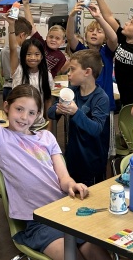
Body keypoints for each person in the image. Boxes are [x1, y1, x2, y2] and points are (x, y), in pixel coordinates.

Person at [0, 70, 109, 260]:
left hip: (64, 211)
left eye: (31, 113)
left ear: (38, 115)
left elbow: (63, 177)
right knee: (72, 256)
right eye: (18, 109)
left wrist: (72, 185)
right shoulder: (2, 139)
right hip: (38, 221)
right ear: (6, 107)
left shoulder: (47, 137)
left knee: (98, 253)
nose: (23, 117)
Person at [47, 49, 110, 185]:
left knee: (90, 197)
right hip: (73, 156)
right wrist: (59, 110)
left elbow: (96, 129)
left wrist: (76, 113)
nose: (68, 74)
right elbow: (50, 113)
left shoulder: (101, 98)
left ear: (87, 72)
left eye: (72, 70)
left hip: (92, 161)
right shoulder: (72, 91)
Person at [66, 1, 116, 115]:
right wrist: (72, 16)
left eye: (99, 32)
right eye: (91, 30)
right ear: (85, 35)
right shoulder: (81, 51)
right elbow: (70, 37)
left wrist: (99, 18)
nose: (94, 33)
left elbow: (113, 39)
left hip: (103, 102)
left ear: (104, 38)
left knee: (102, 131)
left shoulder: (106, 52)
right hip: (82, 102)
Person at [7, 14, 53, 130]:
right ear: (23, 56)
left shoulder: (46, 75)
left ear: (42, 56)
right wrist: (11, 26)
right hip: (18, 123)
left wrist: (49, 124)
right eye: (28, 54)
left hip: (37, 124)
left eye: (37, 54)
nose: (33, 57)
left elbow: (47, 100)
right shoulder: (18, 70)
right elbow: (13, 48)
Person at [22, 0, 67, 77]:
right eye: (51, 37)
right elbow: (31, 26)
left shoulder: (61, 57)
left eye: (57, 38)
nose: (53, 40)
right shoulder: (40, 43)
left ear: (63, 42)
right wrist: (26, 5)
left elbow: (53, 74)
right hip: (28, 75)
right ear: (46, 37)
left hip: (43, 80)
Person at [1, 17, 32, 100]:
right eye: (27, 37)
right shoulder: (21, 52)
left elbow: (2, 73)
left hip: (6, 87)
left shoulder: (3, 51)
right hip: (17, 87)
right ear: (22, 35)